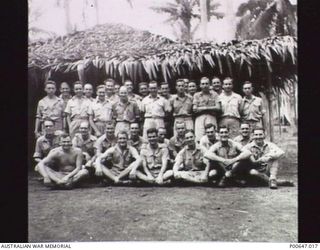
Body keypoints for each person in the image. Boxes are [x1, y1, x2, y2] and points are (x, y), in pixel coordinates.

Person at [193, 77, 220, 142]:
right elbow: (194, 109)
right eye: (203, 84)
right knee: (199, 138)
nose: (205, 85)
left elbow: (218, 107)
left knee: (213, 136)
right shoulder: (196, 95)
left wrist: (203, 108)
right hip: (200, 118)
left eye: (206, 84)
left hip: (211, 117)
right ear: (200, 85)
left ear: (209, 85)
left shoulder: (214, 94)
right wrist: (211, 108)